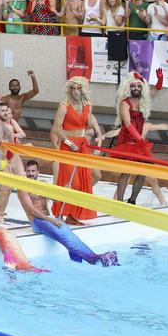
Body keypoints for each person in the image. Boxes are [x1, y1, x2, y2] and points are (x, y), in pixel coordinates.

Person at [17, 161, 118, 266]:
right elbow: (31, 210)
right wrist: (52, 220)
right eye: (28, 171)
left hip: (48, 218)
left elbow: (55, 199)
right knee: (63, 235)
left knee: (68, 233)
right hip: (37, 222)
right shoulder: (23, 188)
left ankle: (85, 256)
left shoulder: (42, 184)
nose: (30, 173)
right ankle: (93, 259)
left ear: (38, 172)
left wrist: (64, 190)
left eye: (33, 171)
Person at [107, 71, 168, 206]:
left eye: (138, 86)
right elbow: (128, 124)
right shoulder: (125, 103)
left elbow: (155, 91)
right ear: (128, 88)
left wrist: (160, 80)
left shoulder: (142, 101)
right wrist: (139, 139)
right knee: (125, 174)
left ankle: (132, 201)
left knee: (143, 172)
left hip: (139, 144)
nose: (136, 89)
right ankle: (119, 203)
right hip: (128, 142)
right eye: (133, 86)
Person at [51, 76, 102, 225]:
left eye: (78, 88)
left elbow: (88, 125)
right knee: (72, 182)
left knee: (90, 178)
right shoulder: (64, 105)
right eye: (72, 88)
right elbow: (56, 128)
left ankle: (73, 212)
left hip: (83, 145)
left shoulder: (88, 105)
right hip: (68, 146)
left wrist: (90, 132)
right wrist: (68, 143)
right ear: (69, 90)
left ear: (83, 89)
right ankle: (64, 213)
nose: (75, 91)